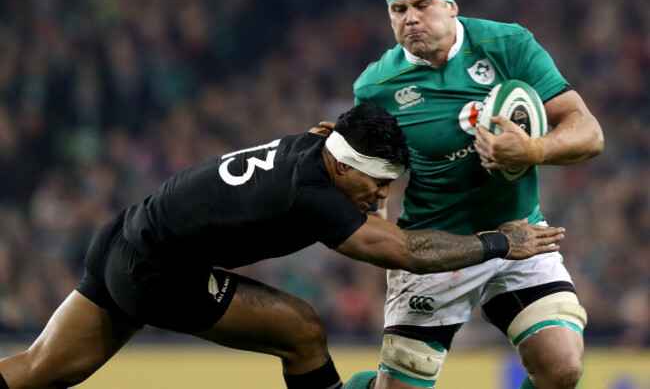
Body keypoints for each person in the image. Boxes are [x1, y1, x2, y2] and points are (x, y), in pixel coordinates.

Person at [0, 103, 564, 389]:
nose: (381, 194)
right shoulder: (315, 195)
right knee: (302, 330)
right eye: (376, 182)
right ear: (343, 166)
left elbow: (334, 133)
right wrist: (497, 242)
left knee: (40, 370)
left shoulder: (317, 143)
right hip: (156, 269)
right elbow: (405, 251)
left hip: (124, 235)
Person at [347, 0, 604, 389]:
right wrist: (384, 251)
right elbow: (374, 185)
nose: (410, 18)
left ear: (451, 5)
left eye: (421, 4)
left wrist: (531, 149)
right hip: (438, 248)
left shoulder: (507, 46)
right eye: (398, 9)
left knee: (562, 368)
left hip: (521, 237)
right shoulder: (375, 88)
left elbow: (588, 133)